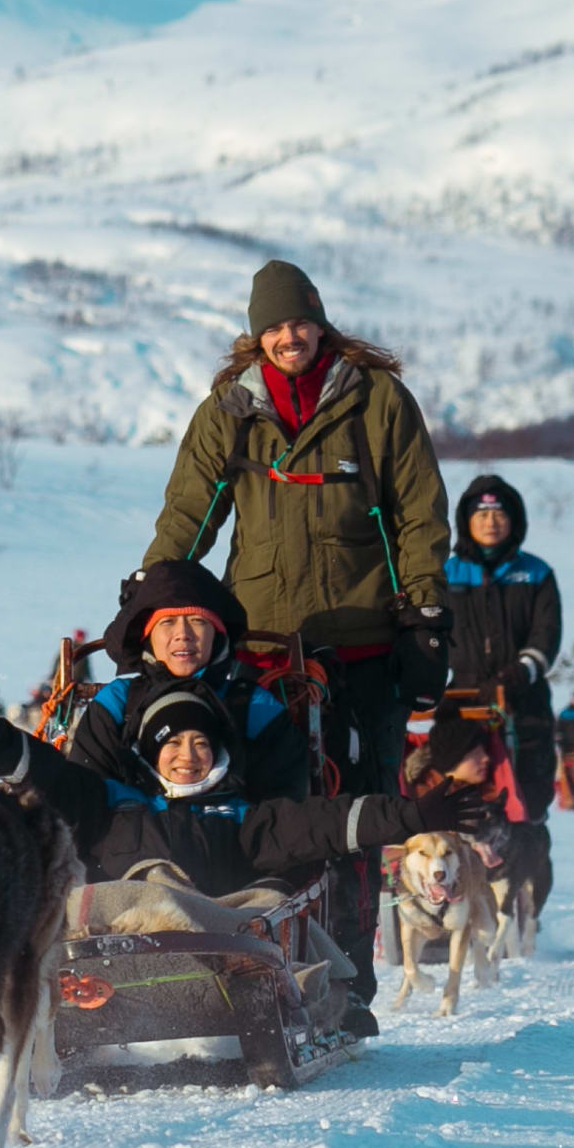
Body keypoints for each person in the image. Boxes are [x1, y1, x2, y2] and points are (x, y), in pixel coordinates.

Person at [141, 259, 450, 1027]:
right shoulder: (231, 411)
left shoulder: (377, 402)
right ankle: (257, 968)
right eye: (272, 327)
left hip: (362, 644)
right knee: (264, 814)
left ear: (321, 321)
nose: (289, 337)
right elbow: (191, 510)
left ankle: (346, 989)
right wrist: (157, 591)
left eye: (299, 322)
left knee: (356, 814)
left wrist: (425, 614)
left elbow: (418, 513)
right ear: (256, 336)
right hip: (263, 649)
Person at [0, 672, 492, 907]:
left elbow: (330, 820)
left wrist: (416, 815)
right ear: (151, 754)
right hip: (123, 929)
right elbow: (46, 772)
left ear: (220, 753)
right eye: (172, 745)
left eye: (201, 745)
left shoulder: (247, 818)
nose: (187, 757)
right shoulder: (113, 804)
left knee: (259, 909)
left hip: (221, 934)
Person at [56, 561, 318, 800]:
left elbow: (282, 810)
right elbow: (87, 800)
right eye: (168, 622)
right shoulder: (117, 704)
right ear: (148, 636)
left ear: (216, 635)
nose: (183, 634)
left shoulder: (256, 708)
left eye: (197, 621)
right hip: (133, 849)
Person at [440, 472, 562, 909]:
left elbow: (547, 637)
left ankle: (523, 886)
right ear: (466, 520)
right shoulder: (446, 572)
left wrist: (520, 672)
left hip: (522, 697)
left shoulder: (535, 573)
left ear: (514, 520)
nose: (491, 522)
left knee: (527, 797)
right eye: (481, 513)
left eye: (499, 513)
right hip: (460, 700)